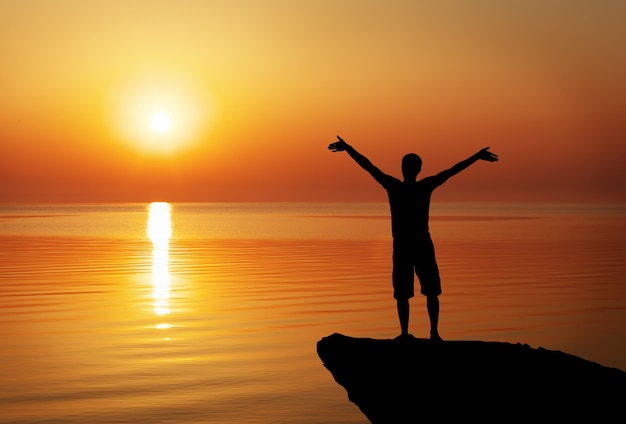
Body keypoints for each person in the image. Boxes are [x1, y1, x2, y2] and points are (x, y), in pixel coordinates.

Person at [328, 135, 498, 341]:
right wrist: (476, 156)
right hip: (415, 244)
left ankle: (414, 333)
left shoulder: (397, 186)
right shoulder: (418, 186)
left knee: (416, 291)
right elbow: (452, 171)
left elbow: (369, 166)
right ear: (418, 170)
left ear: (406, 169)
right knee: (416, 291)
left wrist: (348, 148)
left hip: (408, 245)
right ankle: (425, 333)